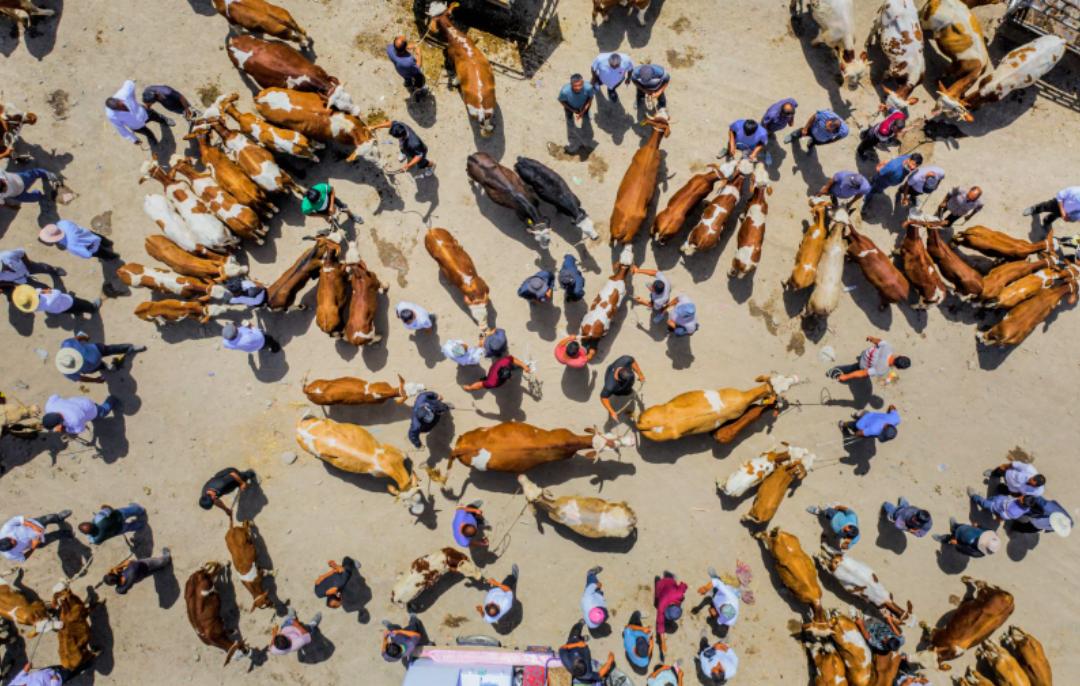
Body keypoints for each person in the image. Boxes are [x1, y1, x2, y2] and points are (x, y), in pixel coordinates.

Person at [55, 331, 144, 383]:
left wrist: (85, 338)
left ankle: (131, 347)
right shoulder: (67, 372)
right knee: (101, 366)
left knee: (113, 349)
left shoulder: (67, 344)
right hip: (92, 366)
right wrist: (95, 380)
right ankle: (106, 366)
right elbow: (81, 378)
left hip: (96, 349)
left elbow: (77, 338)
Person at [106, 79, 173, 146]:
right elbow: (120, 128)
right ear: (114, 110)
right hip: (137, 126)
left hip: (144, 113)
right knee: (148, 133)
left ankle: (164, 120)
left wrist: (132, 94)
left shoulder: (124, 94)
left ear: (119, 100)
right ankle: (153, 141)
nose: (123, 108)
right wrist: (133, 139)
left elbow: (129, 83)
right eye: (120, 109)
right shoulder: (111, 116)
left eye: (122, 105)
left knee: (157, 117)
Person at [828, 336, 911, 383]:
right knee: (850, 368)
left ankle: (834, 372)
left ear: (900, 355)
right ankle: (831, 372)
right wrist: (846, 377)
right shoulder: (882, 370)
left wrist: (871, 338)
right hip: (862, 365)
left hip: (865, 353)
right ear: (898, 368)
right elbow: (863, 373)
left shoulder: (888, 347)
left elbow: (878, 341)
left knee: (861, 359)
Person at [0, 511, 72, 562]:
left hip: (35, 524)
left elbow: (18, 520)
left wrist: (34, 527)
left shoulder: (6, 529)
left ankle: (59, 518)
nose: (16, 541)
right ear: (11, 549)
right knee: (53, 536)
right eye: (15, 544)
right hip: (37, 542)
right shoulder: (10, 555)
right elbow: (23, 558)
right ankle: (64, 533)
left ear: (8, 537)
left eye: (13, 540)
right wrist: (33, 547)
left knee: (49, 518)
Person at [38, 221, 120, 261]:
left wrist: (91, 252)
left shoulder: (70, 245)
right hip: (89, 234)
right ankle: (109, 243)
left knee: (103, 254)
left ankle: (113, 257)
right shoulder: (62, 223)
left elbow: (87, 255)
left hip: (92, 246)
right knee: (102, 239)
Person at [41, 394, 119, 436]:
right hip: (79, 401)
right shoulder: (49, 406)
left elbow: (80, 429)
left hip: (90, 409)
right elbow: (55, 396)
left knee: (102, 412)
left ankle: (112, 399)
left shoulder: (74, 420)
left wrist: (64, 430)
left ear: (59, 422)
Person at [102, 548, 172, 594]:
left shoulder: (120, 589)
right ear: (115, 574)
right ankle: (167, 558)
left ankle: (158, 568)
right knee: (158, 562)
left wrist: (116, 574)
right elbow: (129, 562)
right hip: (145, 565)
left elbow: (121, 591)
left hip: (140, 576)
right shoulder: (131, 569)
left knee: (150, 572)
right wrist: (116, 567)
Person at [558, 74, 597, 154]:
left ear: (583, 82)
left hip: (584, 106)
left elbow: (590, 99)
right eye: (575, 86)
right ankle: (573, 141)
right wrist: (572, 110)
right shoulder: (564, 91)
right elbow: (562, 101)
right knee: (570, 124)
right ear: (571, 84)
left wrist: (582, 111)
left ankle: (585, 141)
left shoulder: (588, 88)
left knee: (586, 122)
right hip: (570, 107)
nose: (578, 88)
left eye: (580, 85)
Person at [600, 355, 645, 421]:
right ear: (618, 379)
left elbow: (632, 361)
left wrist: (640, 374)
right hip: (616, 387)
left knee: (628, 390)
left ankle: (627, 390)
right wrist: (612, 412)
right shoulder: (610, 386)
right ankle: (621, 392)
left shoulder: (625, 360)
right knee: (620, 392)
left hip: (624, 380)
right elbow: (603, 397)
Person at [12, 284, 99, 318]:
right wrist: (45, 291)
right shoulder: (47, 299)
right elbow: (57, 292)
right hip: (69, 302)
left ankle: (78, 313)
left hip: (59, 310)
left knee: (71, 311)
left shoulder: (34, 307)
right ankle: (93, 308)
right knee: (84, 304)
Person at [653, 571, 687, 656]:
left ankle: (664, 579)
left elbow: (684, 585)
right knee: (656, 602)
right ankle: (658, 581)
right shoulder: (662, 605)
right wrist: (663, 642)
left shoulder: (679, 594)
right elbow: (660, 623)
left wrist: (681, 588)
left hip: (671, 585)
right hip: (662, 586)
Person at [78, 504, 146, 545]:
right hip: (119, 516)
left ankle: (140, 525)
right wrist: (104, 507)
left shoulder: (94, 540)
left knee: (130, 527)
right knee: (131, 510)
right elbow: (109, 509)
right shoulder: (98, 518)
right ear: (91, 523)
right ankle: (140, 510)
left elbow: (97, 542)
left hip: (118, 529)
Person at [933, 518, 999, 557]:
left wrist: (956, 544)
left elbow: (964, 550)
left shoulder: (978, 553)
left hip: (961, 540)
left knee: (952, 537)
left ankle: (942, 538)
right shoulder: (991, 535)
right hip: (968, 529)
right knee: (960, 526)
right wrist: (978, 525)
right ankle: (954, 525)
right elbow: (987, 529)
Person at [461, 354, 530, 392]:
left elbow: (513, 358)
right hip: (491, 376)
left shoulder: (504, 361)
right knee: (486, 381)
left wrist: (524, 366)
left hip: (494, 368)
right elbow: (480, 384)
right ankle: (485, 378)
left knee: (489, 377)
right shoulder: (492, 383)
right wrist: (470, 388)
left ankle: (486, 378)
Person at [967, 489, 1033, 523]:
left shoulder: (1013, 513)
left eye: (1021, 499)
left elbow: (1002, 516)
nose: (1020, 497)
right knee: (990, 498)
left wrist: (999, 519)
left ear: (1023, 504)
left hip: (994, 507)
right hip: (1001, 499)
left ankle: (974, 496)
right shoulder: (1027, 505)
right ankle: (983, 498)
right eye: (1023, 496)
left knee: (984, 503)